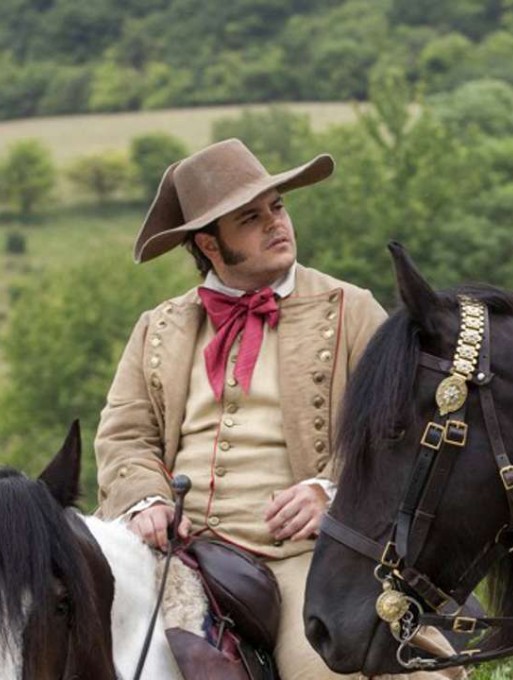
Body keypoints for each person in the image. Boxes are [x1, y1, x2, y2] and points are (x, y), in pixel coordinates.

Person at [94, 138, 463, 680]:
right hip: (175, 551)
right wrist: (144, 497)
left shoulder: (350, 308)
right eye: (251, 217)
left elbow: (405, 429)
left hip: (299, 556)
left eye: (278, 207)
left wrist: (327, 491)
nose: (276, 224)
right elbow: (125, 433)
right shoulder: (159, 326)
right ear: (210, 245)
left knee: (329, 671)